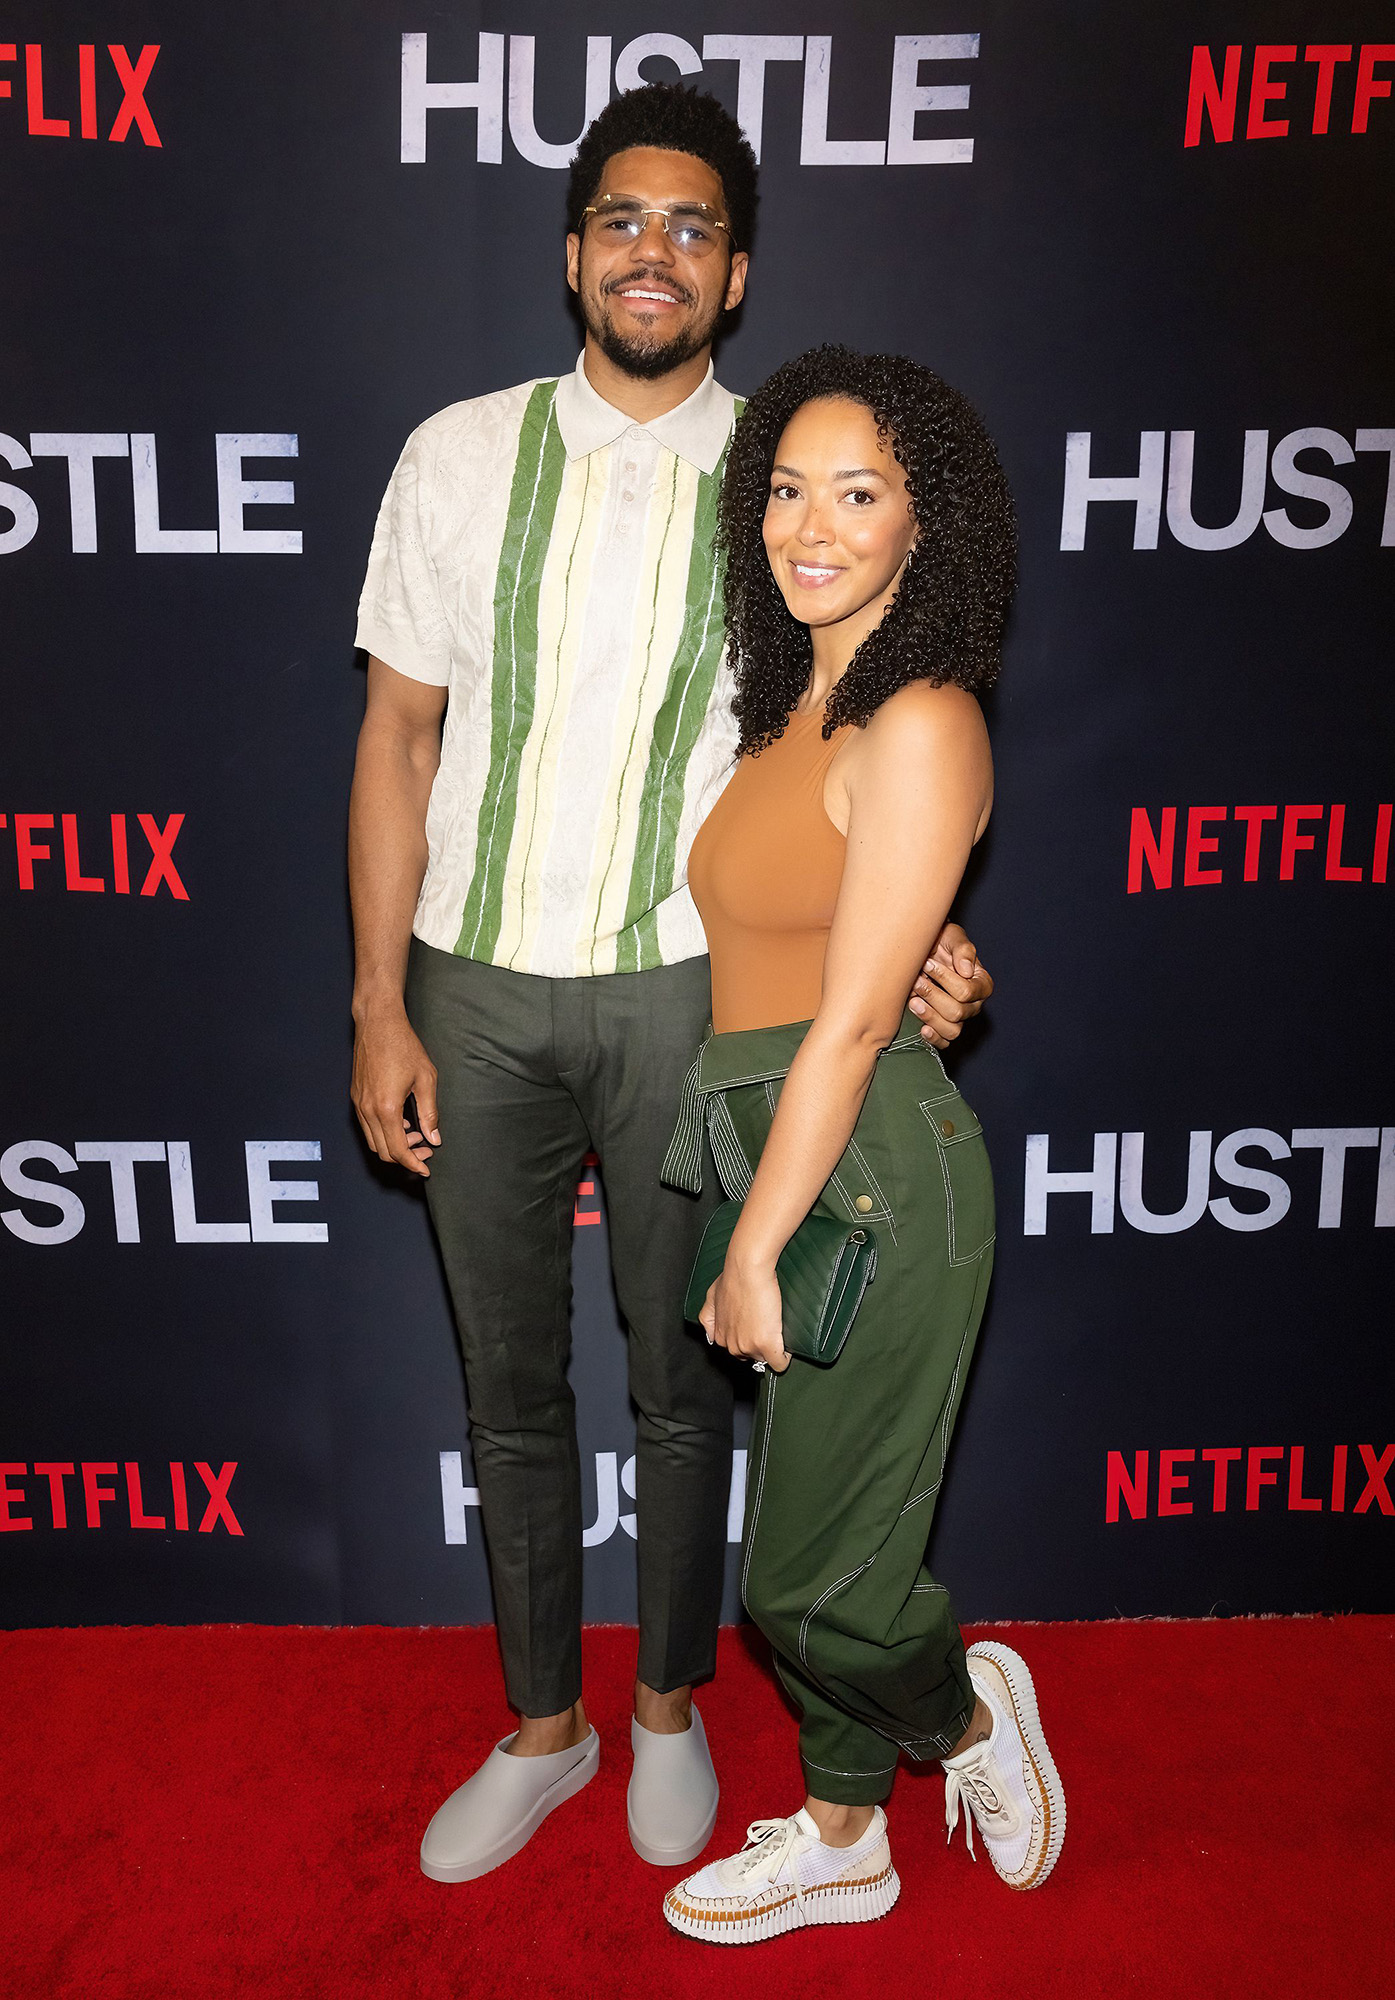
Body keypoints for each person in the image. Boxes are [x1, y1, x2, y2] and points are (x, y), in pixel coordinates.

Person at [348, 85, 995, 1885]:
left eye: (694, 227)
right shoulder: (456, 454)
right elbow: (396, 740)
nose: (656, 252)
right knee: (505, 1387)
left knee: (684, 1380)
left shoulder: (783, 487)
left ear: (736, 274)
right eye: (624, 220)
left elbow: (854, 744)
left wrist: (915, 931)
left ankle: (665, 1711)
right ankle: (543, 1725)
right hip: (471, 987)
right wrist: (378, 999)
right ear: (573, 255)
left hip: (684, 1002)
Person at [661, 346, 1064, 1946]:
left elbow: (845, 1027)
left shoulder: (922, 718)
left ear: (925, 522)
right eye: (784, 489)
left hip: (870, 1168)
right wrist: (928, 978)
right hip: (793, 1132)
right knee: (822, 1534)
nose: (808, 526)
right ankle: (843, 1837)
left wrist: (758, 1243)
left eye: (857, 492)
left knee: (799, 1587)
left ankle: (965, 1714)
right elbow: (853, 955)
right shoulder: (794, 708)